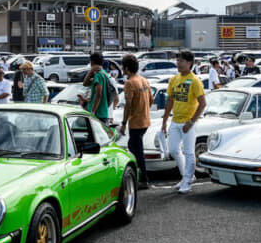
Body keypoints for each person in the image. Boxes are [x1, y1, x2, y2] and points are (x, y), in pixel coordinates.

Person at [160, 50, 206, 194]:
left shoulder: (195, 80)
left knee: (189, 152)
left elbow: (203, 103)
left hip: (188, 122)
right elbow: (170, 100)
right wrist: (165, 120)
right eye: (177, 60)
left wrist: (191, 122)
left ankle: (187, 181)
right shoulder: (174, 79)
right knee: (173, 150)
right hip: (175, 120)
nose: (178, 63)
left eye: (181, 61)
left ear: (189, 63)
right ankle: (187, 176)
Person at [118, 54, 152, 189]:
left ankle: (143, 178)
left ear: (126, 68)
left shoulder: (130, 83)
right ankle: (142, 177)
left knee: (136, 151)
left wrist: (124, 123)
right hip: (145, 120)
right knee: (136, 148)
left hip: (136, 122)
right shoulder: (144, 80)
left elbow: (128, 105)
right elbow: (151, 99)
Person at [79, 52, 111, 121]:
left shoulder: (98, 75)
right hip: (103, 113)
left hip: (98, 114)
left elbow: (99, 94)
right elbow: (85, 83)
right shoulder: (104, 73)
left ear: (92, 62)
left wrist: (93, 112)